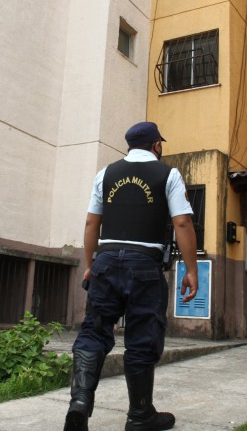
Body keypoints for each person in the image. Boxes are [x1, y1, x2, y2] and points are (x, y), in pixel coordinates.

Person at [64, 121, 199, 431]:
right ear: (156, 146)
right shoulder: (168, 174)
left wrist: (90, 264)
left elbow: (90, 224)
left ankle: (80, 403)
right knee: (141, 339)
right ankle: (139, 415)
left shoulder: (106, 173)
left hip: (106, 261)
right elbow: (182, 224)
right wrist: (191, 270)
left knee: (94, 332)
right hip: (145, 265)